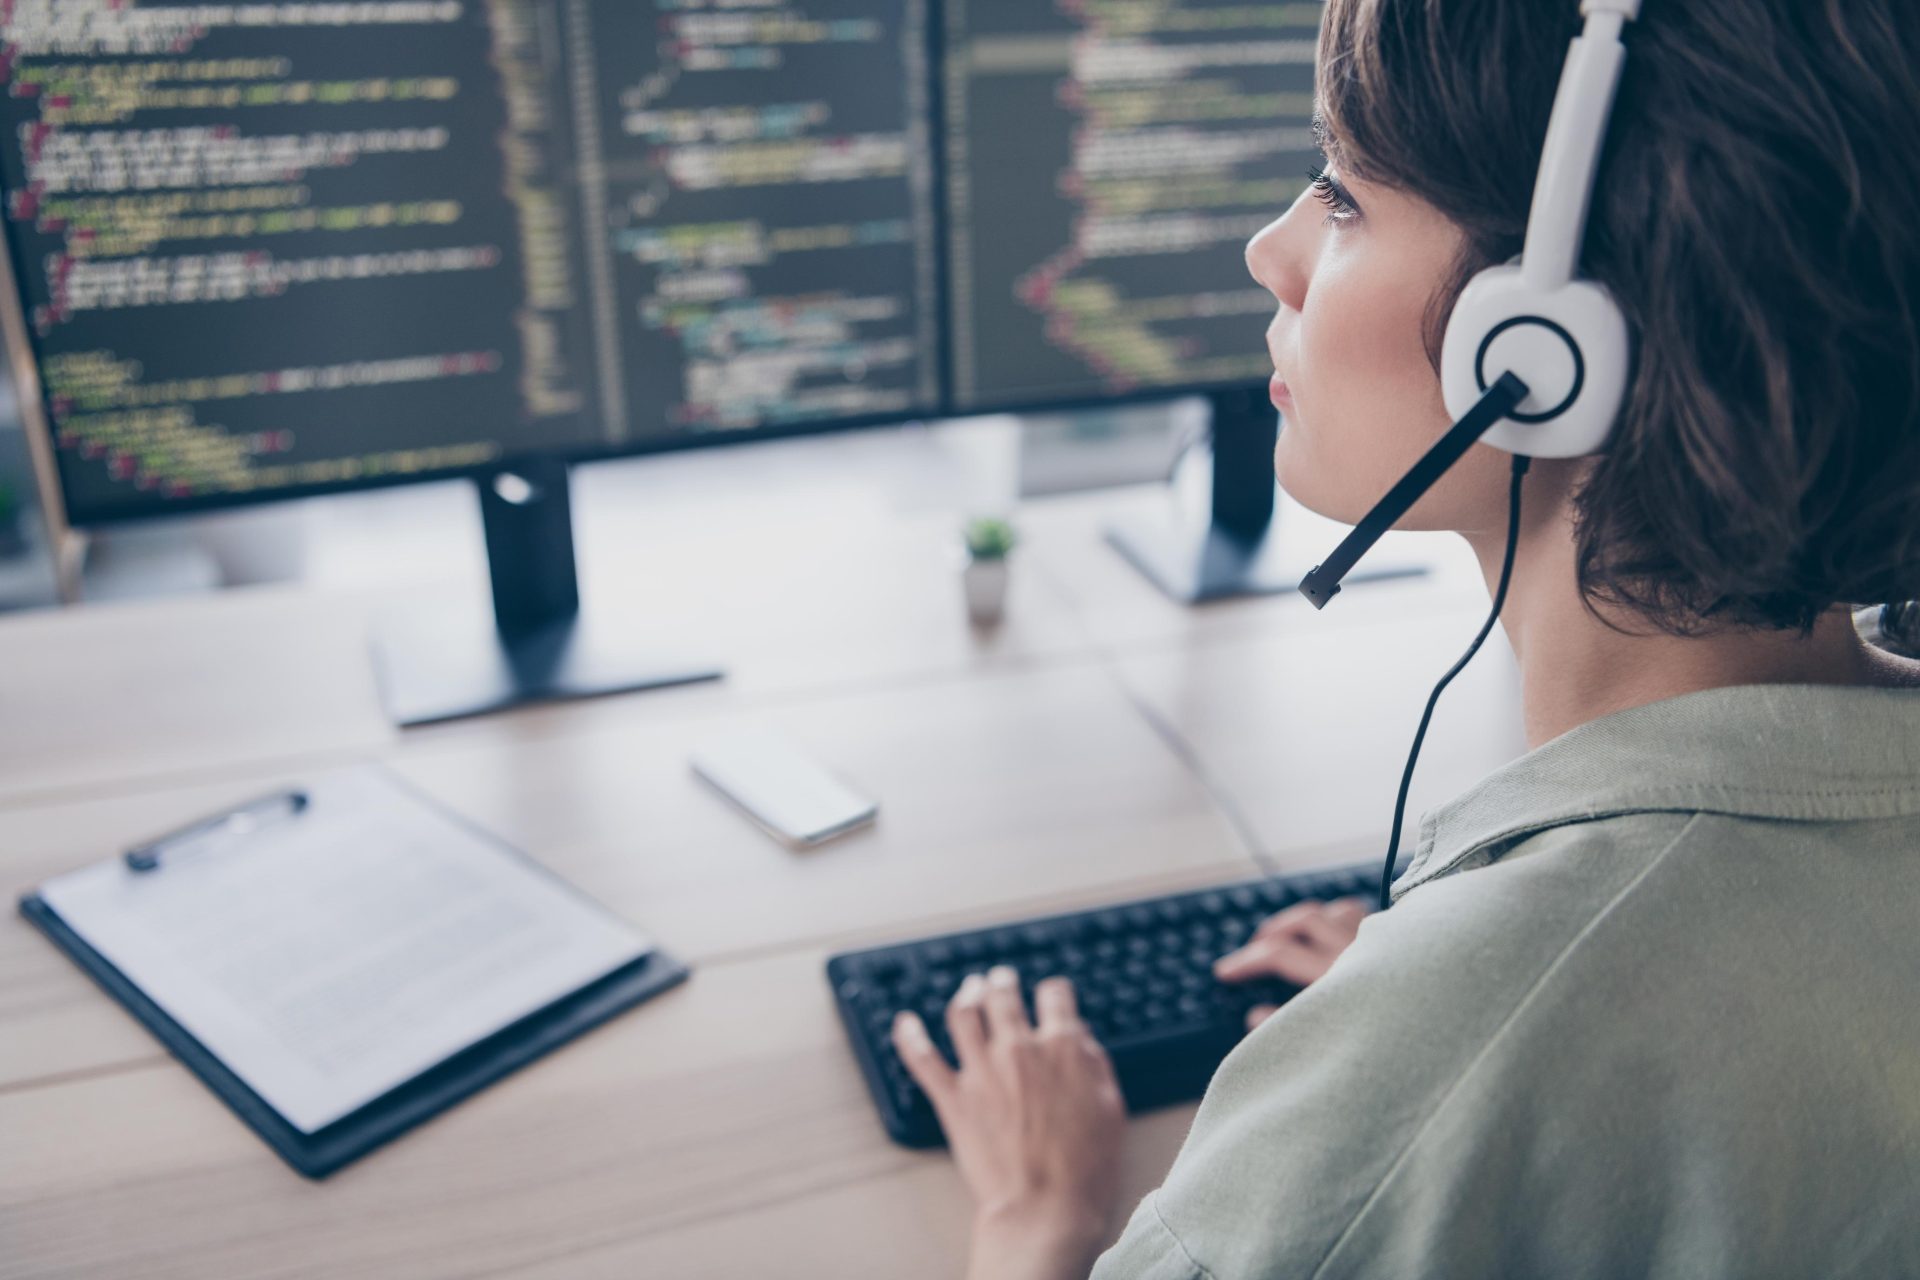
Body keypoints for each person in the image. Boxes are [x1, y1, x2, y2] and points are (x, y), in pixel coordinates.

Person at [887, 0, 1920, 1276]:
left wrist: (1033, 1216)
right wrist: (1463, 988)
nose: (1274, 251)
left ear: (1544, 342)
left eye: (1341, 193)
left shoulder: (1450, 1043)